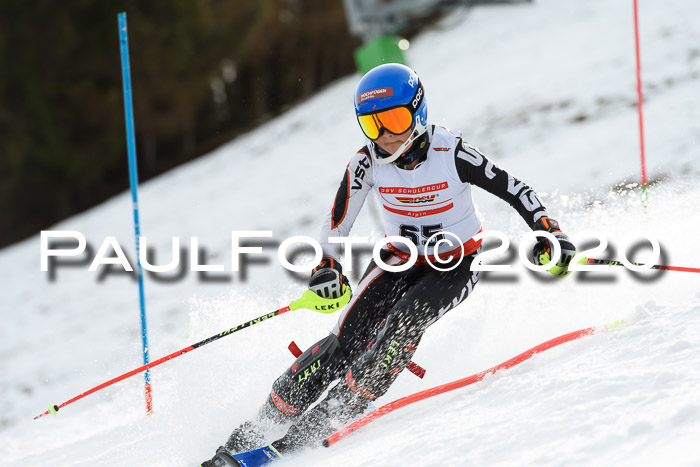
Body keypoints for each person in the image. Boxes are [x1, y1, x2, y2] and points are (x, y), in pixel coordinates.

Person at [201, 63, 576, 466]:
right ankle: (259, 427)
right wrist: (326, 266)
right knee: (343, 342)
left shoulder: (452, 152)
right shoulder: (366, 163)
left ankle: (316, 428)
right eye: (372, 124)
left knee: (400, 326)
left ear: (418, 113)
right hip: (397, 260)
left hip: (457, 263)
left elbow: (515, 189)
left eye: (394, 120)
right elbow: (336, 223)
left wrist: (548, 231)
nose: (385, 136)